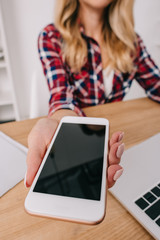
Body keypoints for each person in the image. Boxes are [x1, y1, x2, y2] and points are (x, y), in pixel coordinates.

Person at [24, 0, 160, 188]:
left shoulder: (131, 42)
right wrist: (62, 126)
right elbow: (61, 97)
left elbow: (156, 84)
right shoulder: (51, 36)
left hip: (119, 144)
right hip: (79, 148)